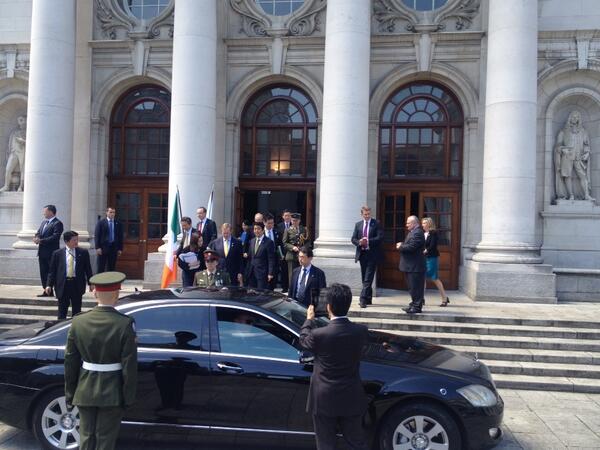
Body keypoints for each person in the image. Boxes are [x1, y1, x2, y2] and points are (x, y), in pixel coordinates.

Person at [64, 271, 137, 450]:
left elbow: (70, 362)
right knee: (105, 439)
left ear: (95, 294)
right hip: (112, 391)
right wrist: (128, 397)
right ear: (117, 295)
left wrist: (70, 394)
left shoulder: (78, 322)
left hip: (85, 389)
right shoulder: (124, 324)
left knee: (86, 437)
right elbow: (129, 366)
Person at [299, 283, 369, 450]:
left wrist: (309, 320)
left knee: (325, 444)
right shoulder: (361, 331)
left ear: (328, 307)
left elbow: (303, 340)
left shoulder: (319, 334)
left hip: (323, 398)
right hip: (351, 395)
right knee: (356, 442)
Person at [46, 231, 93, 319]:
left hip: (77, 285)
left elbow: (88, 269)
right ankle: (60, 326)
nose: (76, 242)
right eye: (74, 240)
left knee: (77, 312)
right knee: (62, 312)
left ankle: (75, 327)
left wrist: (91, 283)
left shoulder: (83, 252)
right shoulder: (57, 254)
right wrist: (49, 285)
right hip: (63, 285)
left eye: (77, 239)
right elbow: (52, 271)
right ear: (66, 241)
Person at [554, 110, 595, 201]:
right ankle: (571, 195)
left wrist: (587, 153)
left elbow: (586, 145)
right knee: (567, 175)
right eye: (573, 116)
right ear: (570, 118)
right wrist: (562, 149)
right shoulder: (563, 131)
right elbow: (558, 145)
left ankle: (586, 195)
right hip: (567, 156)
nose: (575, 118)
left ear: (579, 119)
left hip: (579, 157)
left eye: (577, 117)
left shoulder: (583, 132)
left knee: (583, 175)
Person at [351, 205, 384, 308]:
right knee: (364, 277)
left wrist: (368, 241)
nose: (367, 216)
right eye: (365, 214)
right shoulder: (358, 225)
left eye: (368, 214)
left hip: (372, 255)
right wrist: (359, 242)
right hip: (362, 254)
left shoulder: (376, 223)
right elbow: (353, 238)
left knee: (368, 278)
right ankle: (368, 298)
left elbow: (380, 237)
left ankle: (363, 299)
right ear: (361, 214)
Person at [396, 215, 426, 314]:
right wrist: (403, 245)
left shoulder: (418, 233)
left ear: (414, 223)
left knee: (416, 287)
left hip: (415, 266)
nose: (406, 225)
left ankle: (417, 307)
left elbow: (412, 247)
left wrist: (401, 246)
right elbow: (409, 245)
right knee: (412, 287)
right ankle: (413, 304)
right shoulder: (413, 232)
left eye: (408, 223)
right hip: (410, 266)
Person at [34, 205, 64, 297]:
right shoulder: (44, 222)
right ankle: (47, 291)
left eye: (45, 211)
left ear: (51, 212)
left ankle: (57, 291)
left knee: (52, 272)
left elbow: (55, 237)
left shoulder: (57, 223)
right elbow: (38, 232)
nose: (43, 213)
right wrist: (36, 237)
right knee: (43, 272)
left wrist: (41, 241)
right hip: (42, 252)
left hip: (51, 253)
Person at [422, 217, 450, 307]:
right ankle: (421, 299)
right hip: (423, 258)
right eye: (422, 223)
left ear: (429, 224)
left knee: (434, 278)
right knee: (422, 278)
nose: (423, 225)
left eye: (424, 223)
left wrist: (426, 250)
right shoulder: (422, 234)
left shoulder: (433, 233)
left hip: (431, 258)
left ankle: (444, 298)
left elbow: (433, 245)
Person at [245, 221, 275, 289]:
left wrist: (270, 273)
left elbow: (271, 259)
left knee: (261, 293)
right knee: (251, 293)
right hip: (252, 273)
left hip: (262, 273)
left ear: (263, 230)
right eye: (255, 229)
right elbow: (250, 257)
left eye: (258, 229)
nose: (256, 231)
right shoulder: (252, 241)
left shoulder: (269, 242)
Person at [0, 115, 26, 192]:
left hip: (23, 152)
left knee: (23, 169)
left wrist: (23, 141)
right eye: (20, 121)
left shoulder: (29, 132)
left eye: (23, 120)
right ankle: (6, 186)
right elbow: (10, 143)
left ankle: (21, 186)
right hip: (14, 152)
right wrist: (9, 152)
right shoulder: (14, 132)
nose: (21, 123)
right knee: (8, 169)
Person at [94, 207, 124, 273]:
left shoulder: (118, 223)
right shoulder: (101, 223)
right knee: (101, 267)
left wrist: (120, 249)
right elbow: (97, 235)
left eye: (113, 212)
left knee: (111, 267)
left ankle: (110, 280)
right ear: (106, 213)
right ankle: (100, 279)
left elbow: (120, 236)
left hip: (113, 248)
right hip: (102, 248)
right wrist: (97, 247)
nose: (112, 214)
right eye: (110, 212)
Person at [283, 212, 308, 287]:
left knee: (302, 273)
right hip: (292, 255)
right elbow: (284, 243)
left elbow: (307, 241)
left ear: (299, 221)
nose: (294, 222)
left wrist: (303, 249)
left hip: (301, 255)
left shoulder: (303, 229)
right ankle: (292, 290)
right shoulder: (288, 230)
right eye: (293, 220)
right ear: (291, 220)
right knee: (292, 275)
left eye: (296, 220)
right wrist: (292, 247)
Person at [276, 209, 292, 292]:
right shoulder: (279, 226)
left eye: (289, 215)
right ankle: (284, 287)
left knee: (291, 270)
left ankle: (291, 287)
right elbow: (278, 242)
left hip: (292, 252)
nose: (287, 217)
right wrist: (280, 254)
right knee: (283, 270)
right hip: (282, 252)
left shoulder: (294, 225)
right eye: (286, 216)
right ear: (283, 217)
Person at [264, 213, 281, 290]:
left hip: (274, 261)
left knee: (272, 284)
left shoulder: (277, 232)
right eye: (269, 223)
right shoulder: (260, 232)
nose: (271, 225)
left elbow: (280, 245)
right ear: (264, 222)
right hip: (264, 261)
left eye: (272, 223)